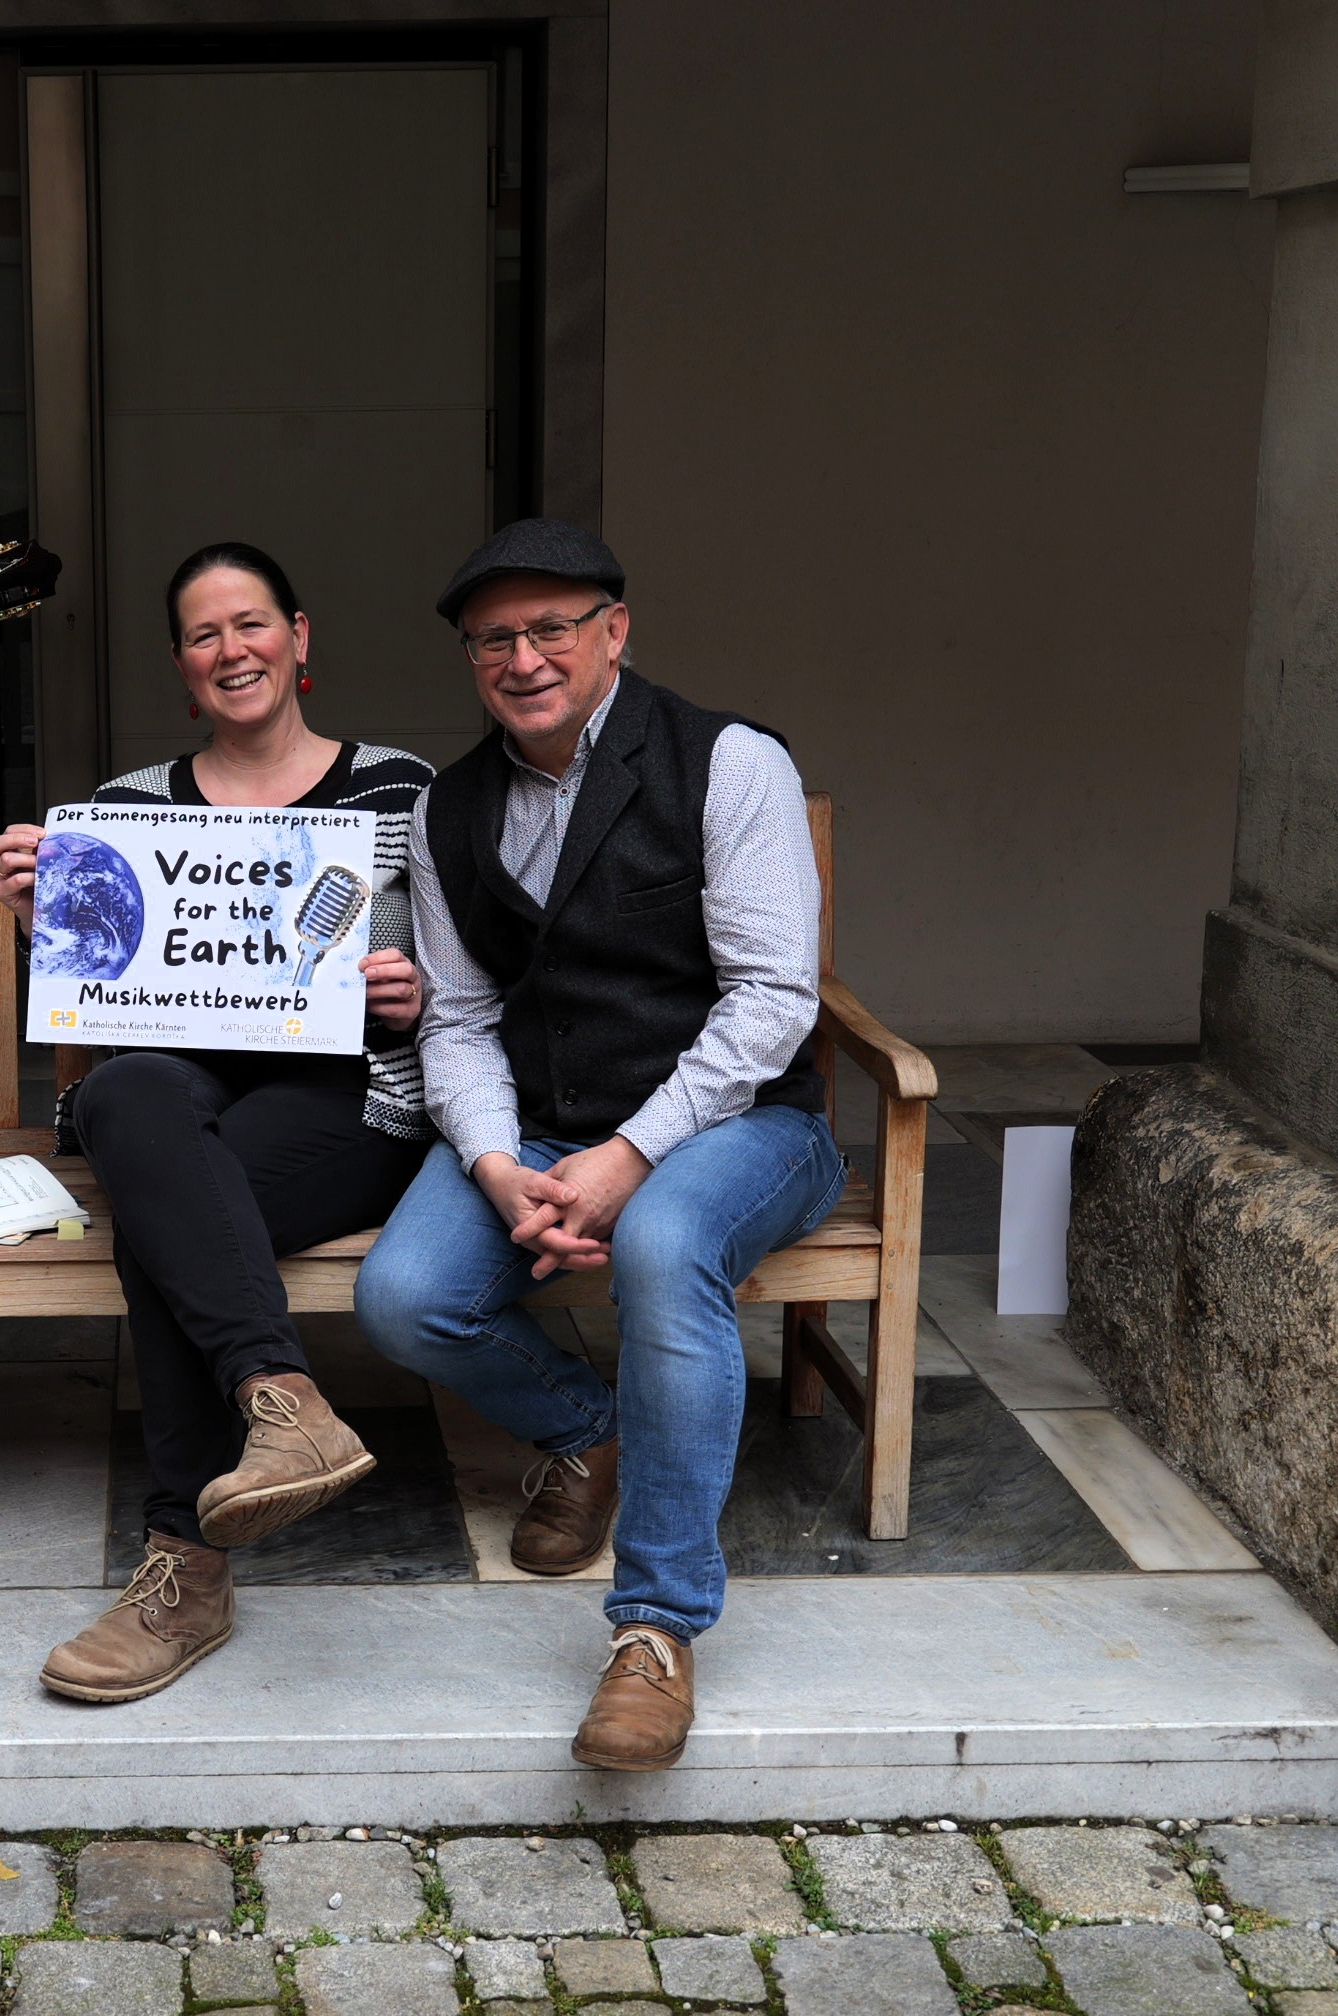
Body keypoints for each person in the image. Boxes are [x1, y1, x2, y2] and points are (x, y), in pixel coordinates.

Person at [354, 518, 845, 1770]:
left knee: (666, 1244)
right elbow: (458, 1019)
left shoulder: (729, 765)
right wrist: (493, 1161)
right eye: (493, 640)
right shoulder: (450, 808)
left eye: (552, 628)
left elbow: (775, 999)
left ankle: (656, 1632)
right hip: (541, 1126)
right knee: (406, 1298)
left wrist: (630, 1154)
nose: (523, 658)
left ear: (613, 633)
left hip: (745, 1123)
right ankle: (589, 1428)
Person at [0, 543, 434, 1702]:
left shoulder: (400, 790)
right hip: (178, 1091)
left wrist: (420, 988)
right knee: (130, 1096)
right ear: (184, 670)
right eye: (202, 635)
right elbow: (97, 990)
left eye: (251, 624)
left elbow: (481, 971)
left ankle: (187, 1562)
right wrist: (44, 916)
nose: (230, 650)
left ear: (299, 638)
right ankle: (284, 1410)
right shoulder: (130, 810)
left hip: (348, 1101)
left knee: (162, 1215)